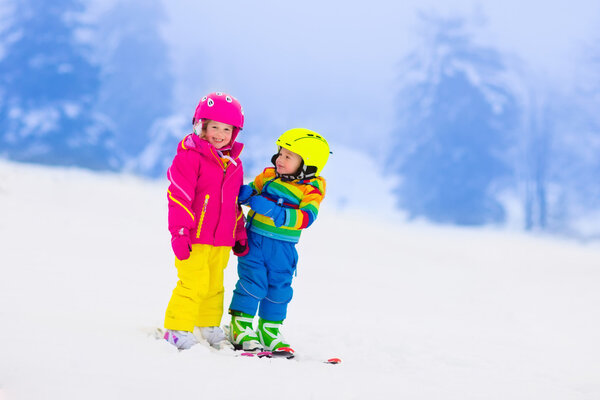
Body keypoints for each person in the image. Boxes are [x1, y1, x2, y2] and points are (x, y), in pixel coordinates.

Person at [228, 128, 330, 353]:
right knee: (253, 282)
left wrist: (276, 211)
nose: (279, 159)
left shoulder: (311, 189)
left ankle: (270, 330)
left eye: (288, 156)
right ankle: (240, 326)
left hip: (283, 249)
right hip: (254, 241)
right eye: (280, 153)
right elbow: (249, 192)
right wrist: (244, 193)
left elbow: (306, 217)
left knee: (279, 288)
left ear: (308, 165)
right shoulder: (268, 176)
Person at [163, 92, 249, 350]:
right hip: (194, 236)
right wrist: (179, 232)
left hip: (221, 240)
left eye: (227, 129)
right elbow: (179, 195)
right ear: (201, 126)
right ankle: (177, 329)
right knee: (192, 283)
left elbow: (232, 202)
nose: (220, 134)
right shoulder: (190, 157)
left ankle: (208, 324)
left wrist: (239, 232)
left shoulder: (233, 163)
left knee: (214, 284)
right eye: (214, 127)